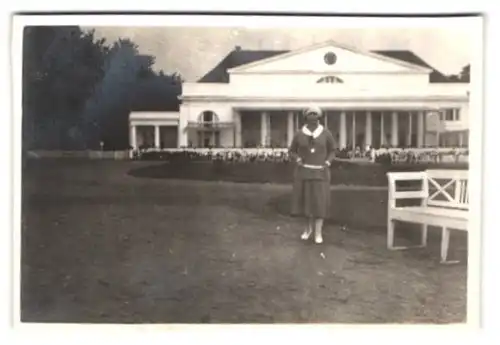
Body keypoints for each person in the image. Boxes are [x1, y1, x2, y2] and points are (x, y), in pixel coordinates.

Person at [289, 106, 337, 244]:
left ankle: (318, 232)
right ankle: (307, 229)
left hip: (321, 173)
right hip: (304, 172)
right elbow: (292, 150)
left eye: (315, 114)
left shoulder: (326, 133)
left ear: (319, 116)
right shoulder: (299, 134)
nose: (313, 117)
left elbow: (333, 150)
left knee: (319, 203)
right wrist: (297, 158)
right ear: (306, 116)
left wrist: (328, 162)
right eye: (310, 114)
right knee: (306, 203)